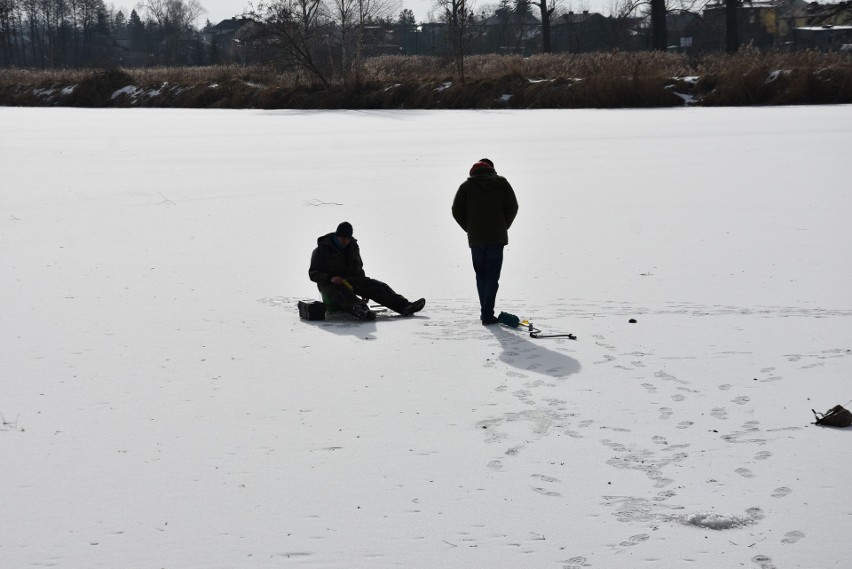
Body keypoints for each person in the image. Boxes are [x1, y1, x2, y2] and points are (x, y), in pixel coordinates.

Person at [309, 221, 425, 320]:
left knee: (378, 286)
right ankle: (360, 309)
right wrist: (330, 278)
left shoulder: (353, 247)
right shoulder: (322, 249)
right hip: (329, 283)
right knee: (340, 292)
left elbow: (358, 268)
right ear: (337, 236)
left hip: (350, 280)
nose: (345, 241)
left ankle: (404, 306)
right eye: (342, 238)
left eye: (347, 238)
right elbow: (313, 273)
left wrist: (365, 290)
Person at [451, 158, 519, 325]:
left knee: (481, 276)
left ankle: (486, 312)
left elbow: (456, 210)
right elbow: (513, 207)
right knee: (492, 277)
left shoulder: (466, 186)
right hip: (497, 237)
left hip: (477, 239)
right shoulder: (502, 183)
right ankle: (487, 313)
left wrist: (470, 228)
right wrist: (503, 226)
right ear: (492, 169)